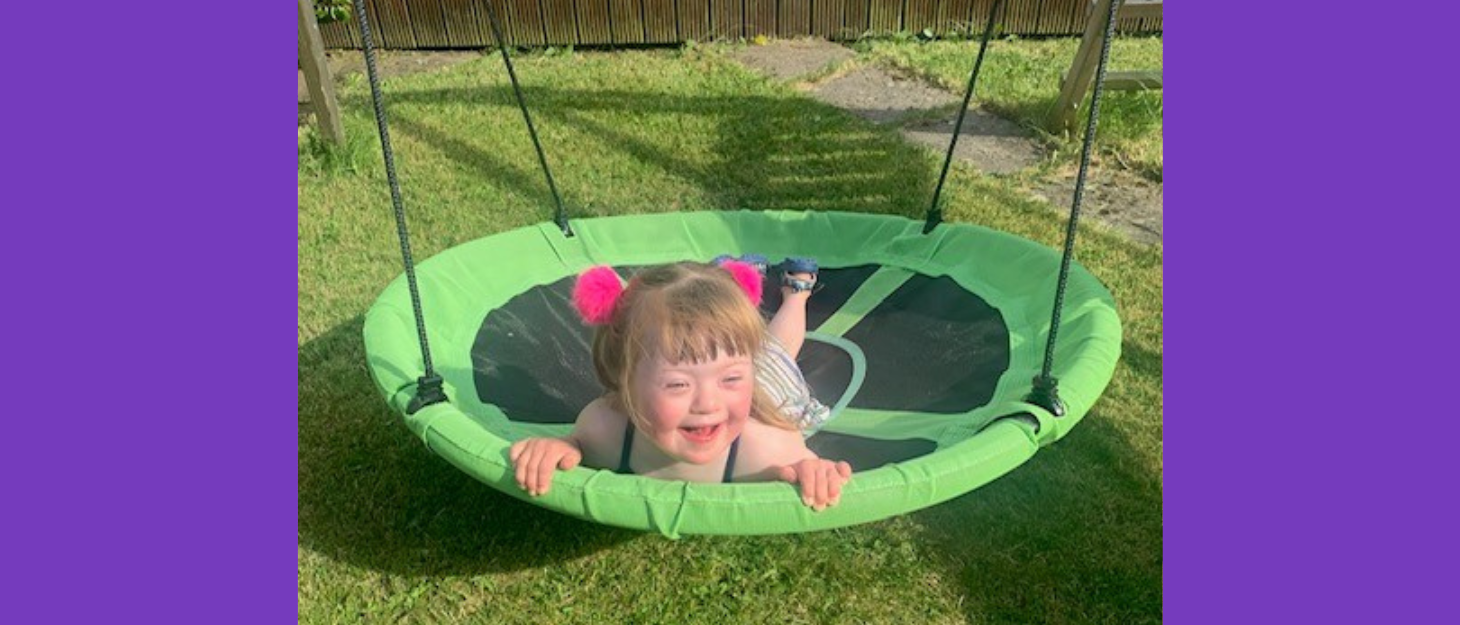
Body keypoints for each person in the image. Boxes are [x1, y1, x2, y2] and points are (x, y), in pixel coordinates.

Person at [509, 259, 850, 510]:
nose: (708, 403)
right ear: (625, 380)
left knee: (776, 353)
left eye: (731, 379)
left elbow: (808, 466)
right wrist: (563, 447)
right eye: (677, 385)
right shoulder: (604, 428)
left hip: (774, 389)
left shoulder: (766, 450)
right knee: (752, 355)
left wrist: (812, 470)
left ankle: (796, 295)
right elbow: (575, 446)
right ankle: (736, 278)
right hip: (736, 366)